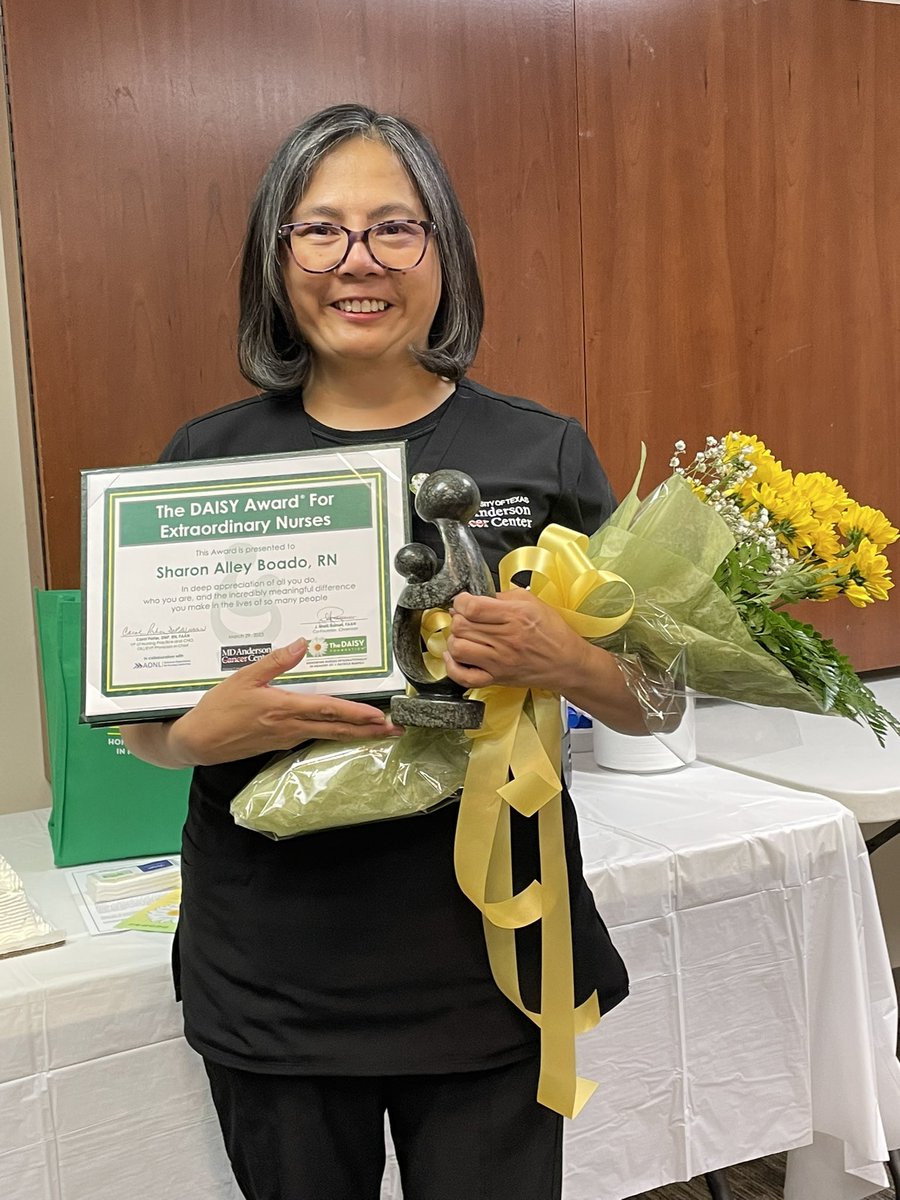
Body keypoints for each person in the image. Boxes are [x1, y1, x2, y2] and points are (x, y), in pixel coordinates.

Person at [123, 103, 647, 1200]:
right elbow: (144, 725)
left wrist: (571, 659)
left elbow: (659, 698)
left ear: (443, 255)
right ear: (277, 259)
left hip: (489, 959)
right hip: (275, 972)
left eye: (393, 229)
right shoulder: (204, 459)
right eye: (320, 231)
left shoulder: (538, 450)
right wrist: (192, 736)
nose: (356, 262)